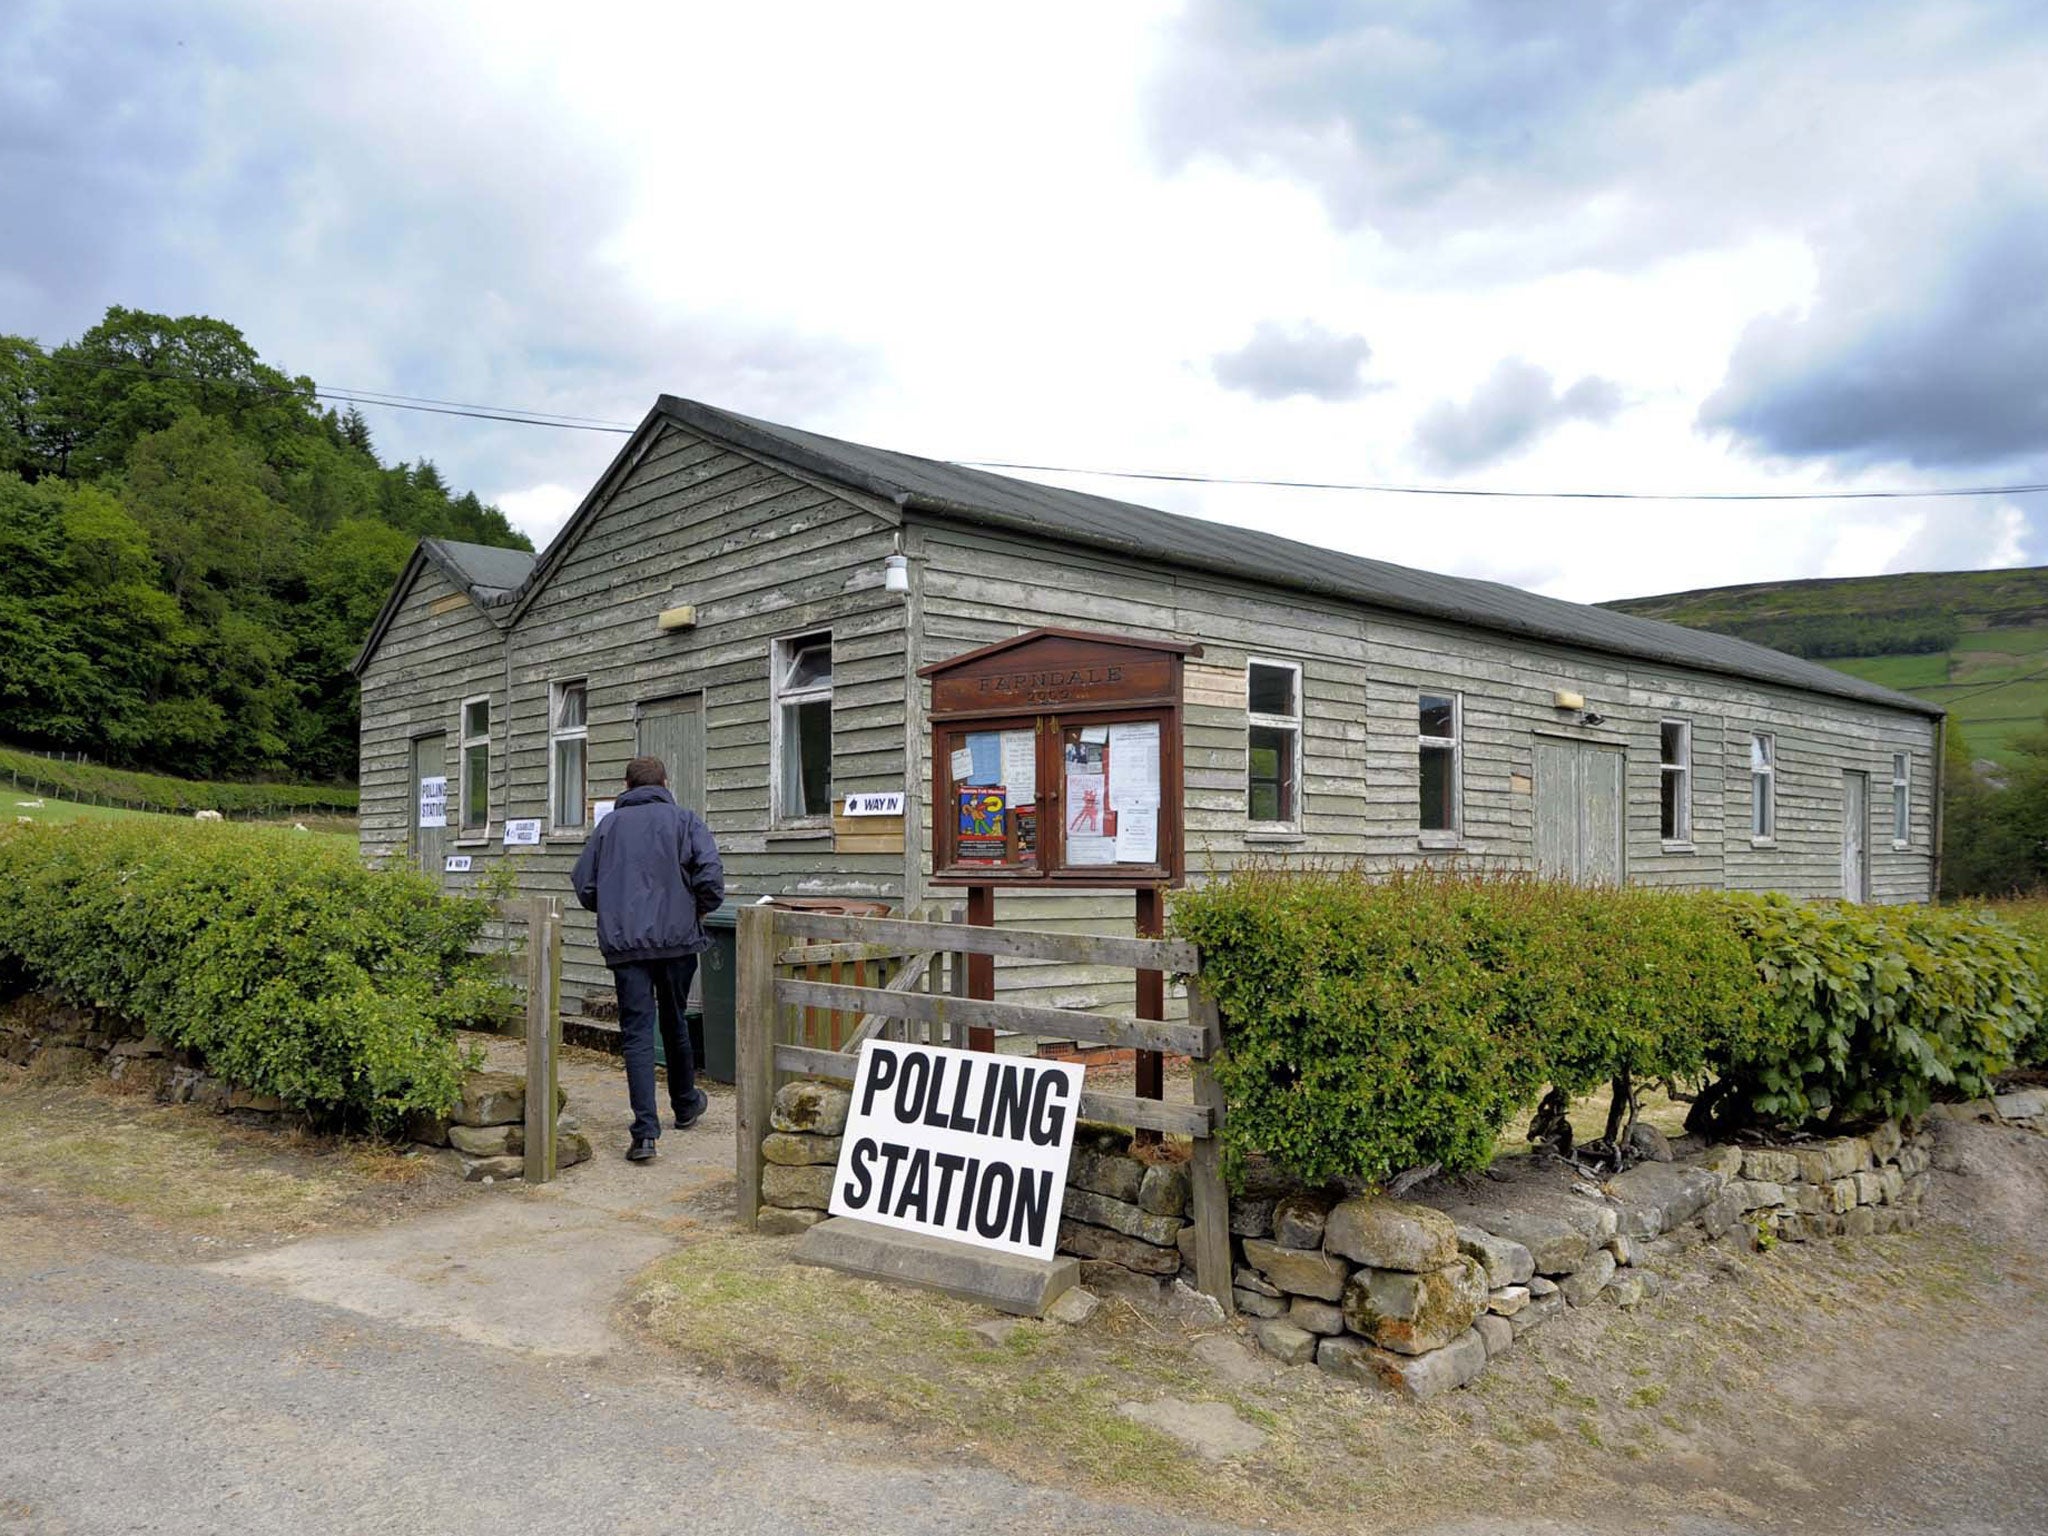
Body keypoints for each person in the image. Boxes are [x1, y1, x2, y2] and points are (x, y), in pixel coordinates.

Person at [571, 755, 725, 1162]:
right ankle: (686, 1103)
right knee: (674, 1021)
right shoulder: (685, 821)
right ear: (664, 782)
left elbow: (583, 883)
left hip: (626, 946)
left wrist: (615, 909)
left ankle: (645, 1134)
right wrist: (698, 909)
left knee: (637, 1033)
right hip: (677, 940)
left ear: (627, 785)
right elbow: (710, 877)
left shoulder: (608, 828)